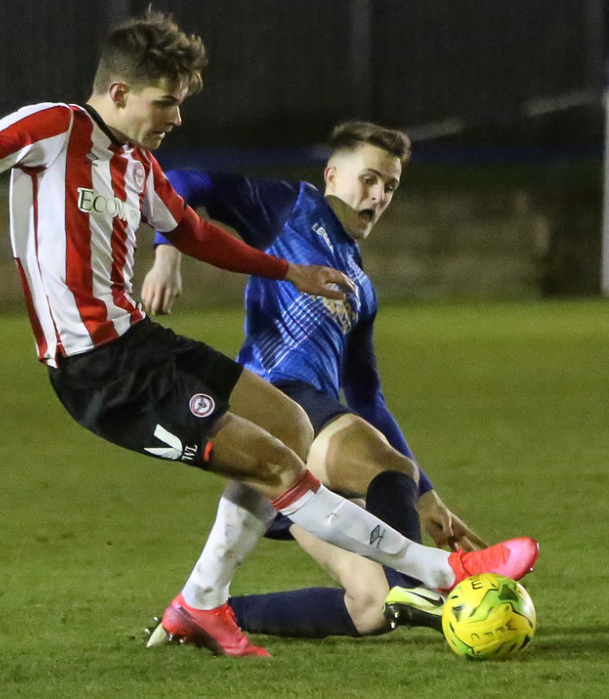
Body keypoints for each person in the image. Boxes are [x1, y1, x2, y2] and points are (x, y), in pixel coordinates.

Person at [0, 12, 537, 659]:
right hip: (98, 370)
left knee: (290, 423)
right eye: (166, 102)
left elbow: (197, 231)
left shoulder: (138, 166)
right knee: (276, 463)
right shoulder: (55, 130)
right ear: (118, 92)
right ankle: (441, 571)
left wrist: (287, 270)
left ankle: (203, 601)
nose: (176, 118)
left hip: (143, 343)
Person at [141, 121, 532, 643]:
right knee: (388, 468)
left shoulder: (361, 288)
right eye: (369, 179)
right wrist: (168, 251)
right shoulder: (293, 207)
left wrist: (427, 497)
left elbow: (368, 397)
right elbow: (185, 180)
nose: (379, 195)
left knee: (371, 609)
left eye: (390, 187)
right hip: (274, 401)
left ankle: (207, 613)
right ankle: (425, 578)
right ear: (331, 175)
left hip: (307, 441)